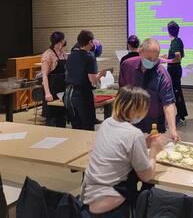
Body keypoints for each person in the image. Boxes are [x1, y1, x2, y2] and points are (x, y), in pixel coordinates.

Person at [81, 86, 165, 217]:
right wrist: (154, 151)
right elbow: (146, 176)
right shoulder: (134, 134)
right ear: (137, 110)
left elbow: (121, 146)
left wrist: (144, 143)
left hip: (88, 195)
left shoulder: (106, 123)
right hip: (111, 201)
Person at [119, 38, 180, 142]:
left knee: (152, 151)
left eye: (155, 59)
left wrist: (173, 131)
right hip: (131, 116)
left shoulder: (162, 75)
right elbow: (122, 93)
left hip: (154, 121)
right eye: (149, 58)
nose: (152, 62)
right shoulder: (127, 66)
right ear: (140, 51)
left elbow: (168, 104)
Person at [65, 30, 107, 131]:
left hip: (69, 95)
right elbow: (92, 80)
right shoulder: (89, 57)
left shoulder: (70, 55)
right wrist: (101, 74)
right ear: (90, 42)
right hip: (82, 94)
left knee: (76, 126)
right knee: (87, 126)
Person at [162, 21, 188, 126]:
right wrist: (167, 57)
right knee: (176, 93)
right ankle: (181, 115)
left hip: (174, 70)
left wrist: (166, 61)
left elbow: (178, 57)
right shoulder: (177, 41)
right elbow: (182, 55)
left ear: (169, 31)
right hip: (175, 69)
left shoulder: (176, 42)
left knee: (177, 94)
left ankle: (181, 117)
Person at [41, 31, 68, 127]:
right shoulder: (47, 54)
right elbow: (44, 75)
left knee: (62, 118)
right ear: (61, 41)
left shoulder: (63, 53)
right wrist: (47, 93)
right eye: (64, 39)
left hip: (62, 91)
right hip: (52, 90)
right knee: (52, 119)